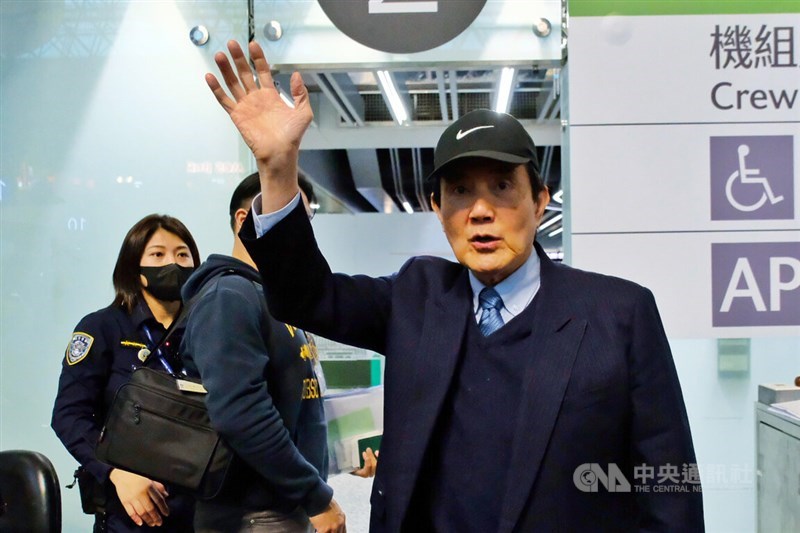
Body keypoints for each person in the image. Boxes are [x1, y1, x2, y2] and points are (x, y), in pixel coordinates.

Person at [205, 40, 705, 532]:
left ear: (541, 201)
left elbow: (667, 485)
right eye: (461, 191)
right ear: (437, 208)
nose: (481, 210)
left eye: (503, 187)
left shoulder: (618, 313)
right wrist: (277, 168)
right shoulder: (419, 295)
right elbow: (305, 296)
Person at [180, 171, 367, 533]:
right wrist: (315, 495)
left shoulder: (276, 300)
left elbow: (296, 407)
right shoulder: (229, 297)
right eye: (285, 216)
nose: (298, 232)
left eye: (303, 220)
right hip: (255, 516)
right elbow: (241, 414)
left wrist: (344, 460)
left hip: (287, 508)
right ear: (244, 218)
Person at [52, 214, 200, 532]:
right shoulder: (102, 327)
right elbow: (68, 415)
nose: (172, 263)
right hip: (129, 512)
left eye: (182, 254)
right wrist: (116, 474)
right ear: (134, 267)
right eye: (157, 254)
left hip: (203, 511)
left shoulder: (208, 330)